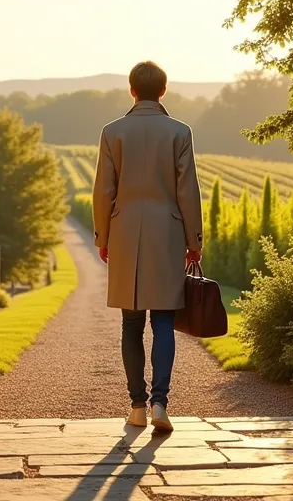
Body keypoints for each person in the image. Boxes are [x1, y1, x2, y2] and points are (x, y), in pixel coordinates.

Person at [92, 61, 203, 432]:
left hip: (124, 235)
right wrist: (194, 241)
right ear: (164, 91)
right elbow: (188, 190)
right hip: (168, 236)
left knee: (131, 324)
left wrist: (103, 237)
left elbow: (103, 190)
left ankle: (136, 406)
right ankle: (160, 403)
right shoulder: (180, 132)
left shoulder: (112, 132)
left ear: (131, 90)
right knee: (165, 322)